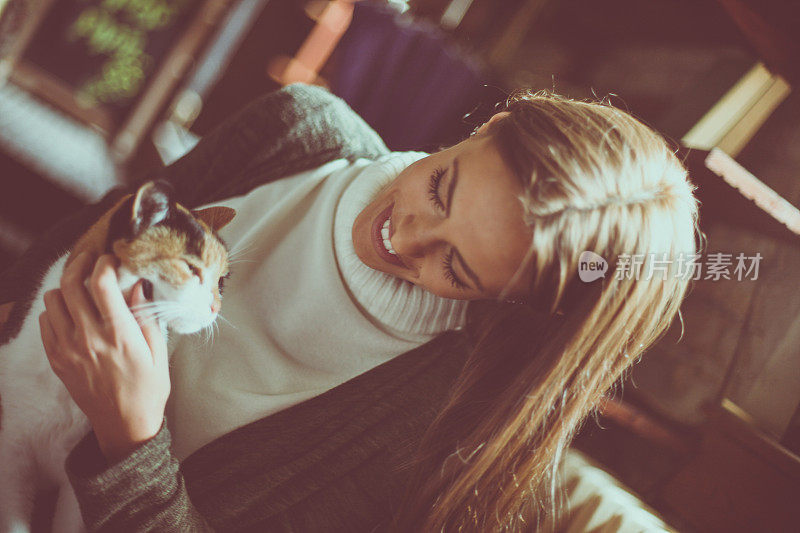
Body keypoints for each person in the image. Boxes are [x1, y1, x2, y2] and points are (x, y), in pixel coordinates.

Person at [2, 83, 699, 531]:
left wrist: (132, 438)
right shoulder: (298, 128)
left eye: (454, 266)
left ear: (507, 302)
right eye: (441, 187)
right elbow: (81, 239)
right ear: (485, 126)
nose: (404, 236)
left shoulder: (425, 426)